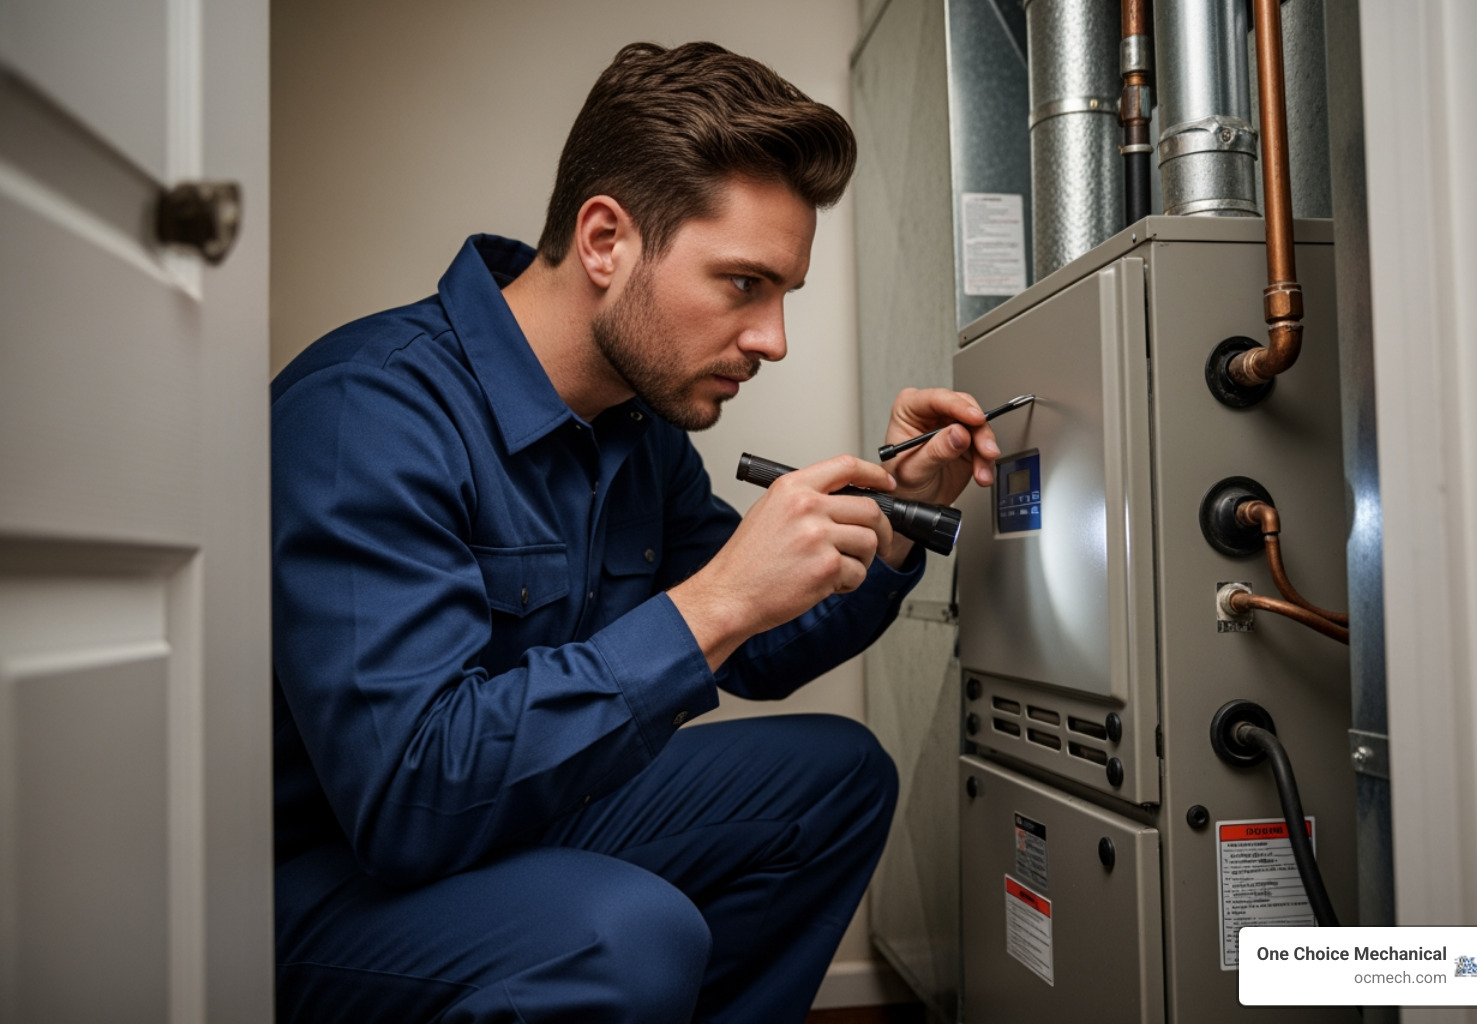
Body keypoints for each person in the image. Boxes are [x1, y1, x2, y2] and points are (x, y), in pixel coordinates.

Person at [270, 40, 1000, 1023]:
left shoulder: (637, 428)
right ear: (607, 240)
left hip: (517, 816)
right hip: (334, 878)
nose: (774, 339)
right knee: (631, 932)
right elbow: (410, 797)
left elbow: (763, 648)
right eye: (743, 284)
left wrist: (897, 521)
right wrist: (713, 604)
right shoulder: (367, 412)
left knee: (839, 778)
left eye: (784, 295)